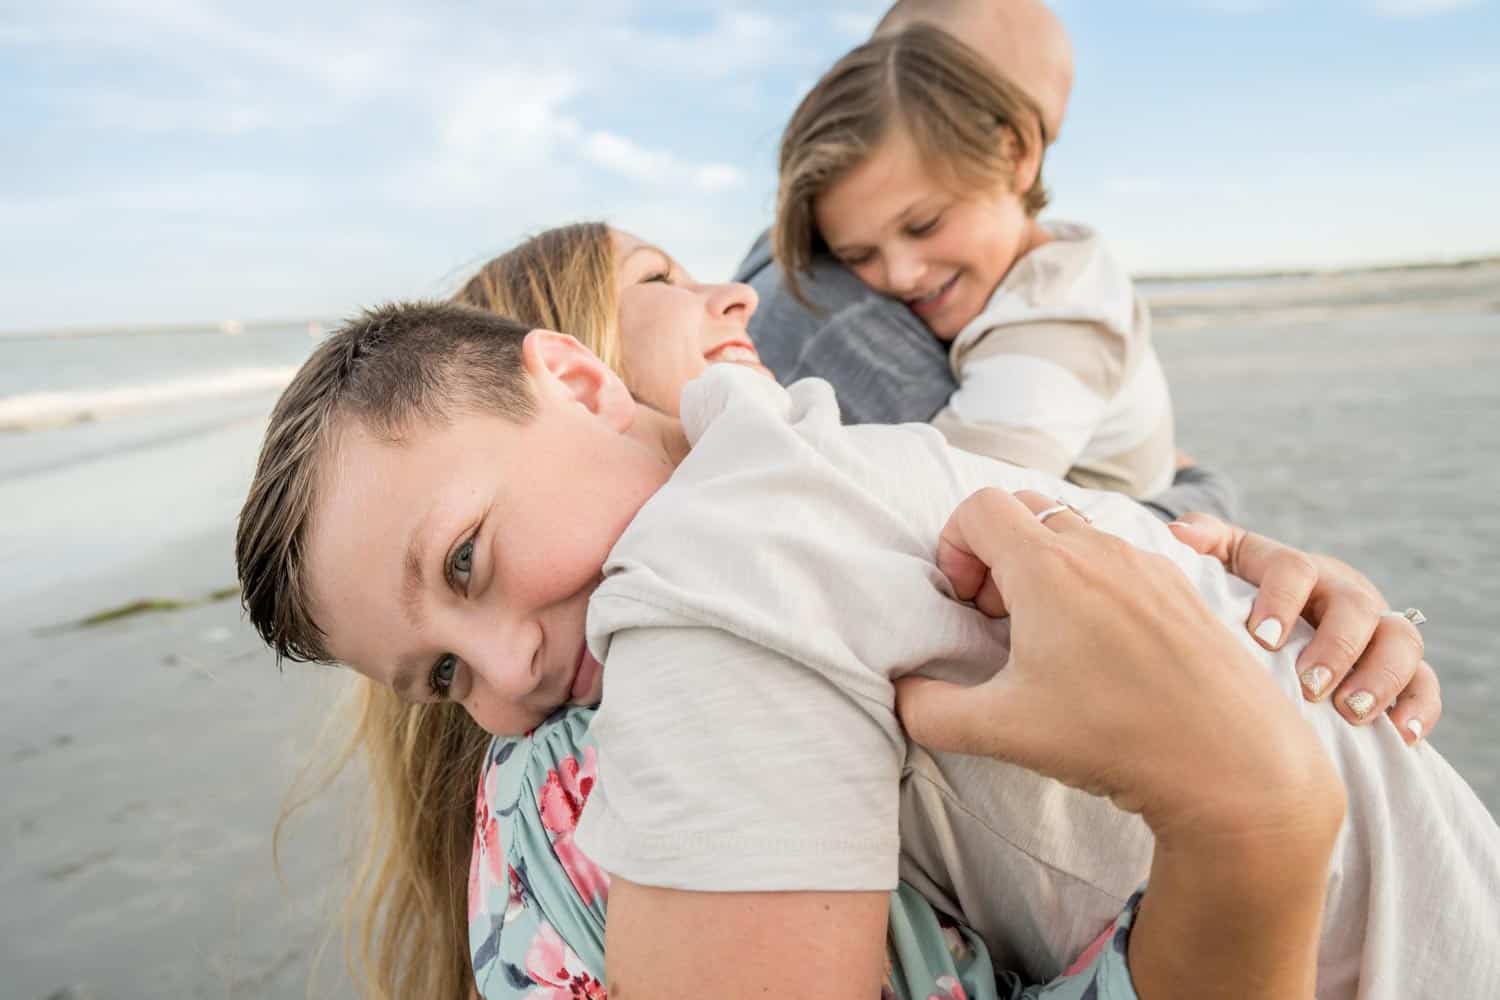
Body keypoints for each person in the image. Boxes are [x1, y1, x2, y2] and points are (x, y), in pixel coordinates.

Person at [237, 230, 1497, 998]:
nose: (507, 674)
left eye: (467, 562)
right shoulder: (721, 565)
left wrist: (1237, 570)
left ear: (573, 379)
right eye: (444, 679)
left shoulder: (714, 559)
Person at [776, 24, 1175, 499]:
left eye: (924, 225)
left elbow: (959, 507)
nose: (901, 275)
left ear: (1014, 154)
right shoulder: (1047, 269)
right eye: (857, 256)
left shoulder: (1057, 324)